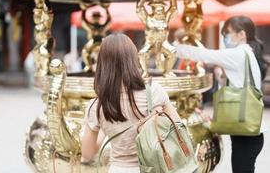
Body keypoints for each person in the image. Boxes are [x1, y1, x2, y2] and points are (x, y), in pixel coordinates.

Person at [175, 16, 267, 173]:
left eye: (227, 33)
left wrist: (176, 48)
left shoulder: (238, 54)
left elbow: (207, 55)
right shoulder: (248, 54)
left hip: (246, 135)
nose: (225, 37)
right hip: (249, 133)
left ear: (242, 34)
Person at [81, 33, 181, 173]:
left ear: (103, 64)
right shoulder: (154, 92)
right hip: (155, 168)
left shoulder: (97, 106)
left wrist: (105, 128)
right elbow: (179, 130)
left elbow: (87, 153)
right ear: (133, 60)